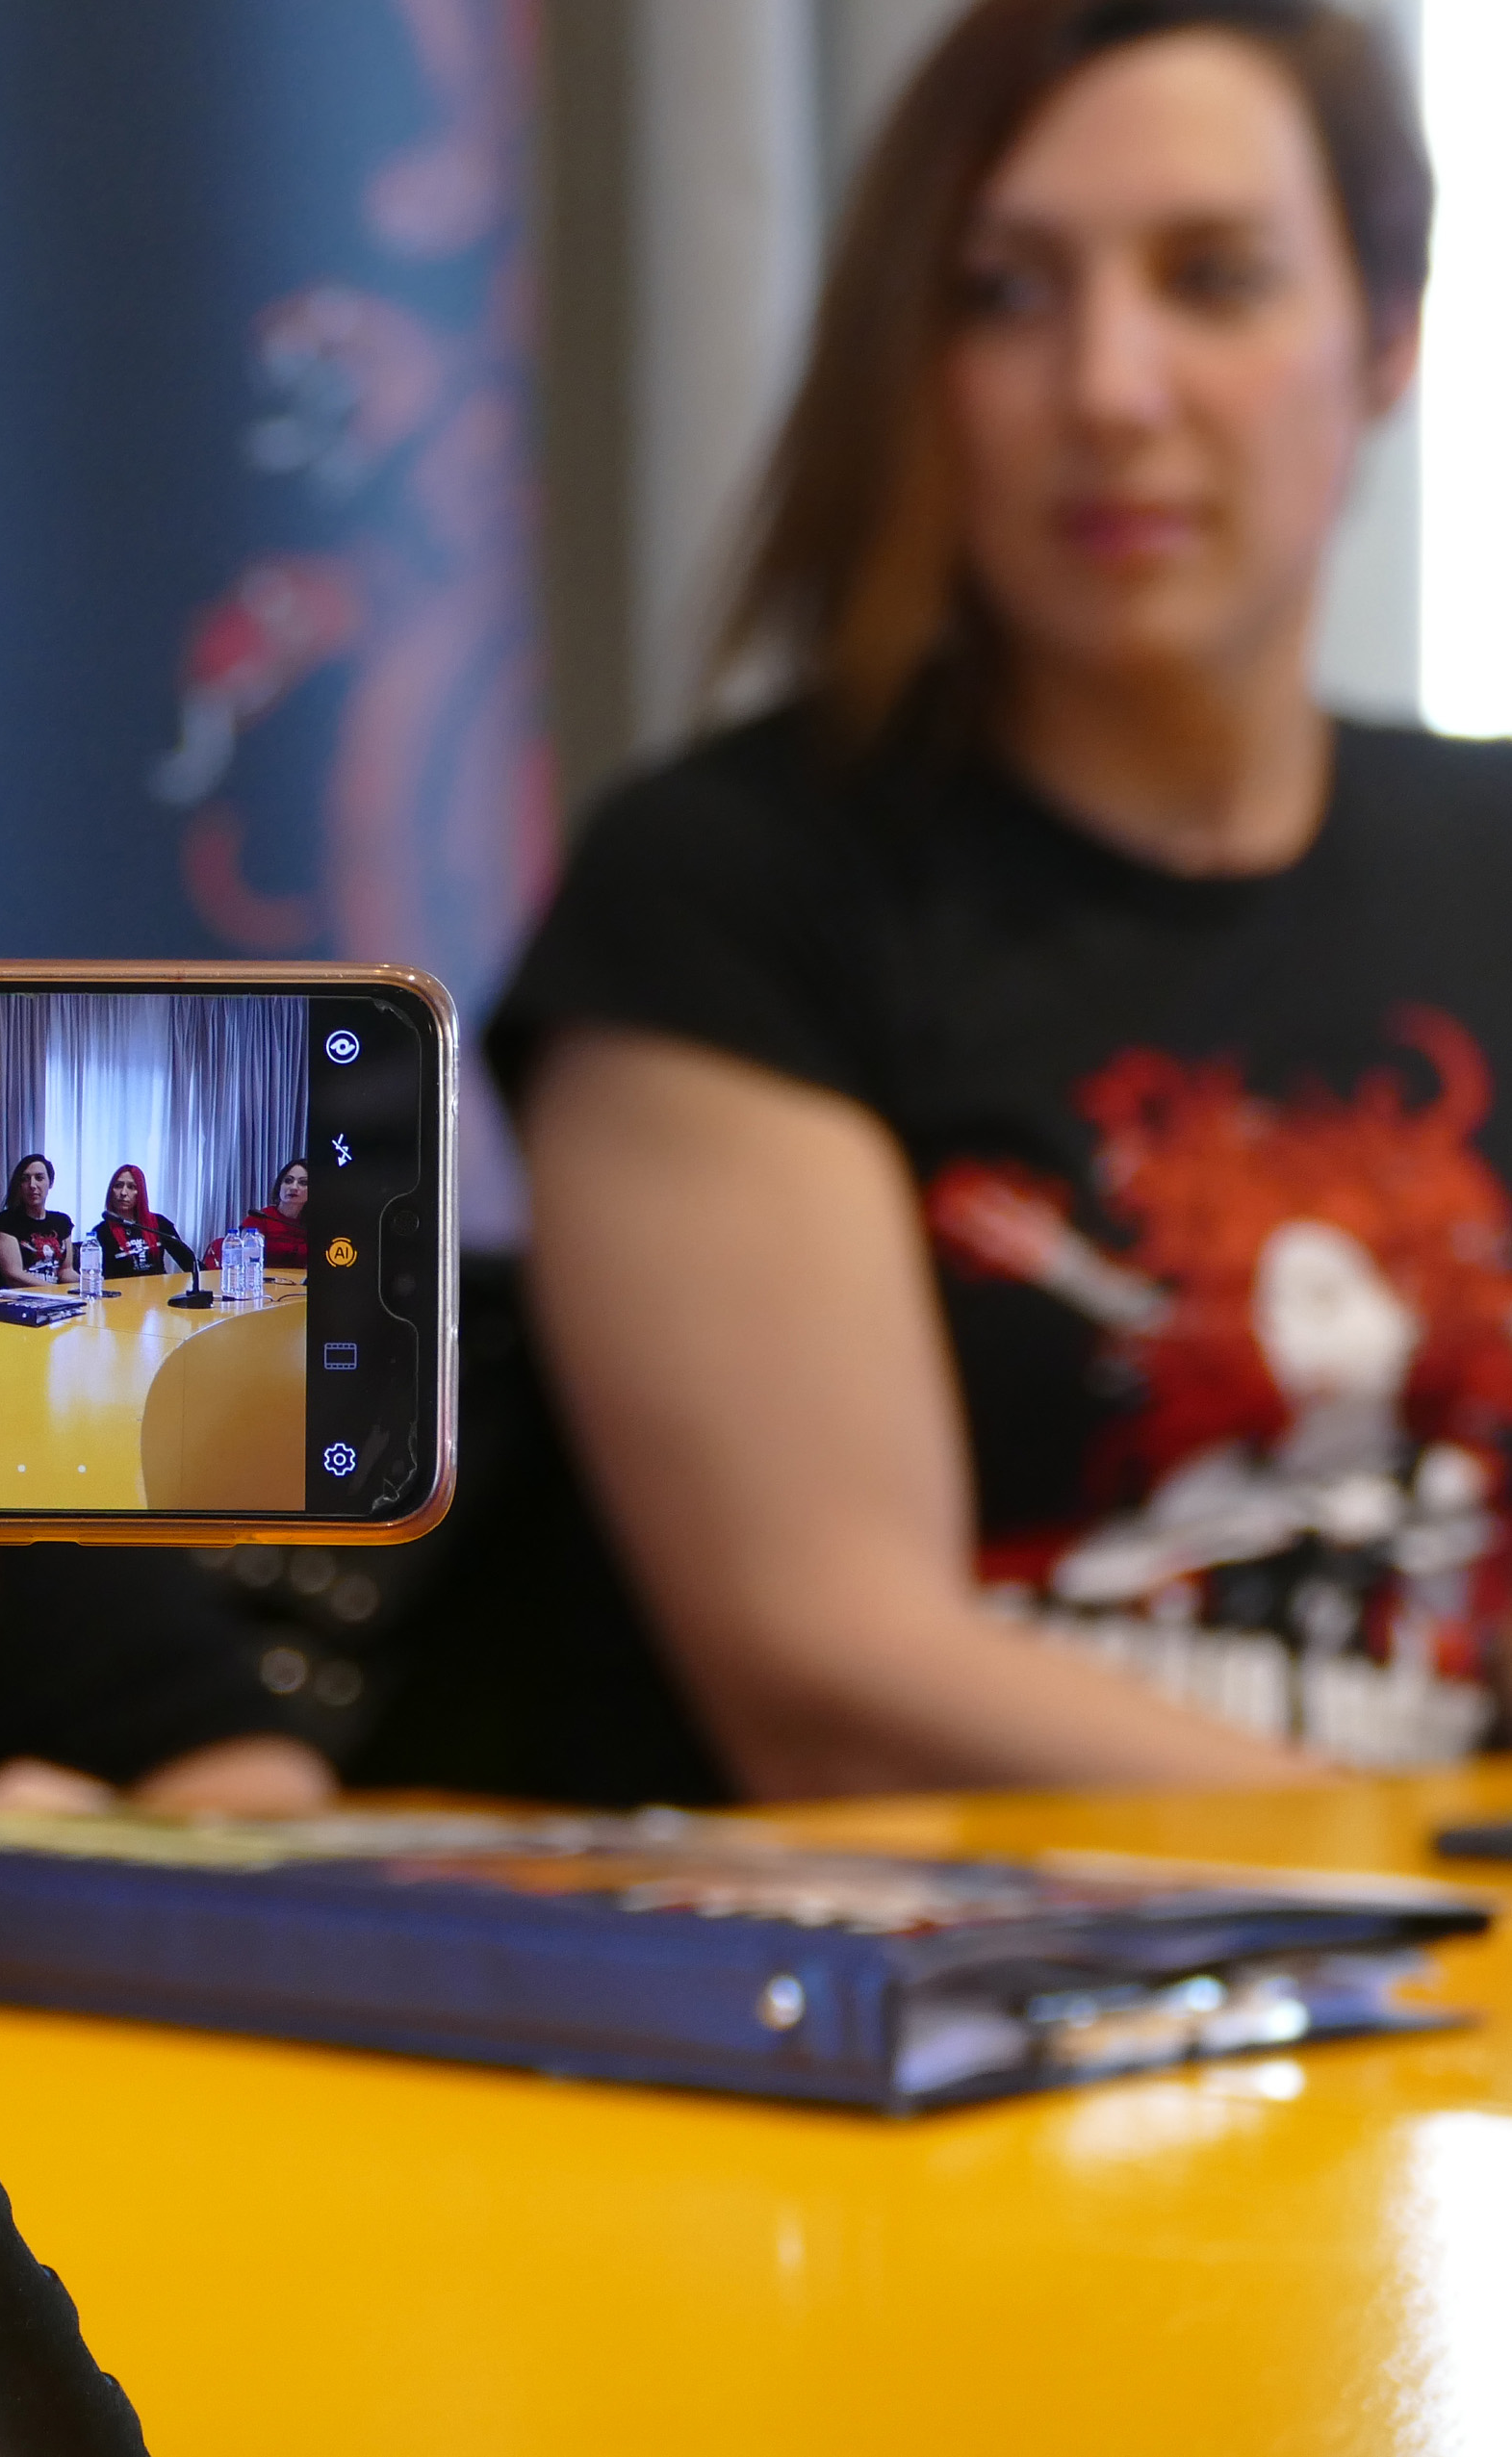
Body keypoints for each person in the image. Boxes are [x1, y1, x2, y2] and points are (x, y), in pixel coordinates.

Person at [494, 0, 1494, 1797]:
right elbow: (832, 1680)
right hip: (938, 1948)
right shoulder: (727, 886)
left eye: (1212, 279)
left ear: (1386, 337)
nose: (1108, 389)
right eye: (1003, 293)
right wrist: (1425, 1874)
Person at [0, 1151, 75, 1287]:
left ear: (50, 1183)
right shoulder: (5, 1222)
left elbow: (66, 1271)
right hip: (22, 1295)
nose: (32, 1185)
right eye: (25, 1179)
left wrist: (92, 1282)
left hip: (57, 1294)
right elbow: (14, 1275)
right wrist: (54, 1291)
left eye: (39, 1178)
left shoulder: (62, 1222)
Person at [89, 1163, 189, 1280]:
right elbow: (91, 1275)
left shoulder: (159, 1223)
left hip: (158, 1289)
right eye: (118, 1186)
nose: (123, 1193)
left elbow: (188, 1261)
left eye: (131, 1187)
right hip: (119, 1291)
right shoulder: (101, 1232)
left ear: (140, 1191)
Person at [216, 1159, 314, 1270]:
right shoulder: (259, 1218)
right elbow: (247, 1259)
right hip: (262, 1279)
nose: (293, 1187)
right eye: (288, 1181)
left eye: (303, 1183)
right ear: (279, 1186)